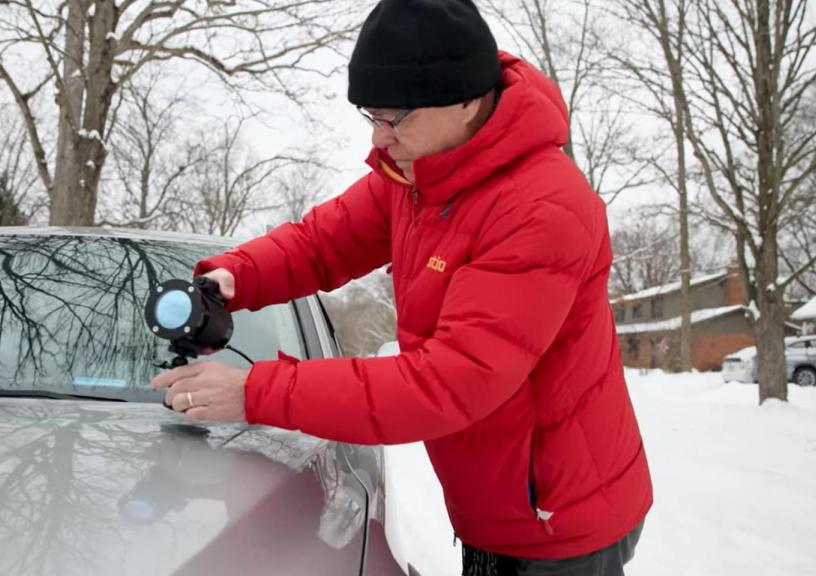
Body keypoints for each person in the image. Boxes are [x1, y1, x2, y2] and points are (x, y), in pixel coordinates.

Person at [150, 0, 652, 574]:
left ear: (465, 98)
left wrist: (256, 392)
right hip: (498, 501)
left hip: (559, 520)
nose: (380, 138)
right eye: (371, 116)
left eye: (395, 118)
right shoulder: (418, 172)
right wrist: (235, 276)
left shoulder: (542, 208)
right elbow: (322, 242)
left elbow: (448, 383)